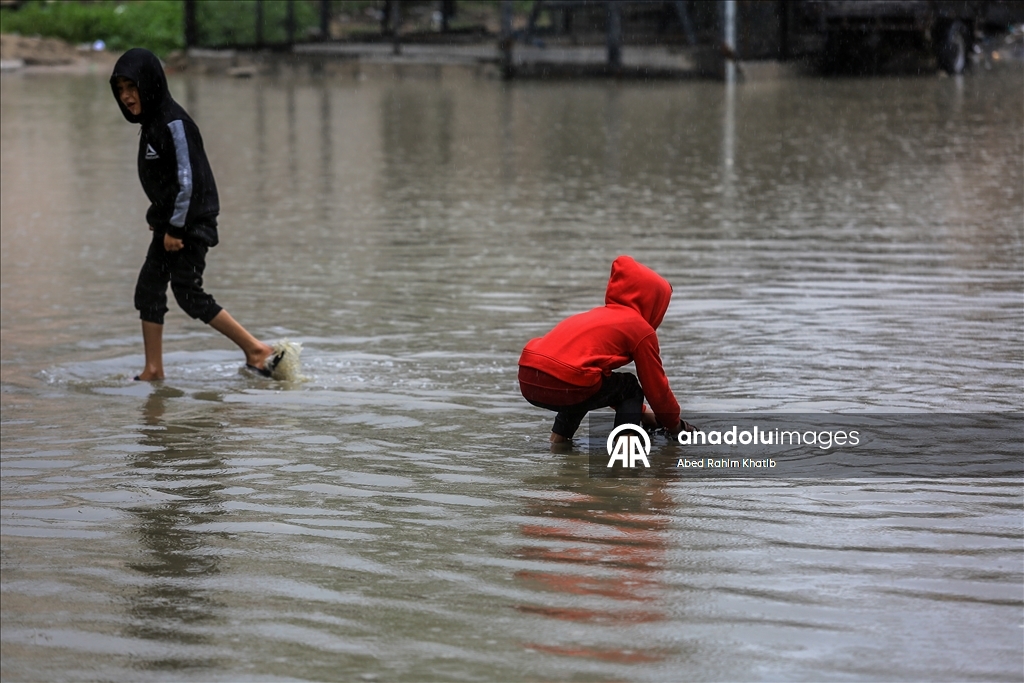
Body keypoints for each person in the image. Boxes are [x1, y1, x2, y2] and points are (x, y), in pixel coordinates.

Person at [110, 48, 279, 381]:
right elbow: (166, 180)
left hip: (188, 226)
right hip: (171, 224)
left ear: (151, 84)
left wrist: (174, 227)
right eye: (120, 90)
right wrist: (158, 214)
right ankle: (153, 370)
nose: (127, 97)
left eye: (132, 87)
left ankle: (258, 350)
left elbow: (189, 180)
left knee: (188, 293)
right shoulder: (152, 123)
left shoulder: (174, 123)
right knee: (149, 291)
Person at [518, 255, 693, 444]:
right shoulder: (640, 329)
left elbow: (597, 383)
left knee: (580, 382)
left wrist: (643, 413)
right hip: (568, 381)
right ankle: (625, 452)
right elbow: (657, 390)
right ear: (653, 303)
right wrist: (675, 425)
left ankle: (557, 444)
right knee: (630, 386)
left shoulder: (597, 316)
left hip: (529, 376)